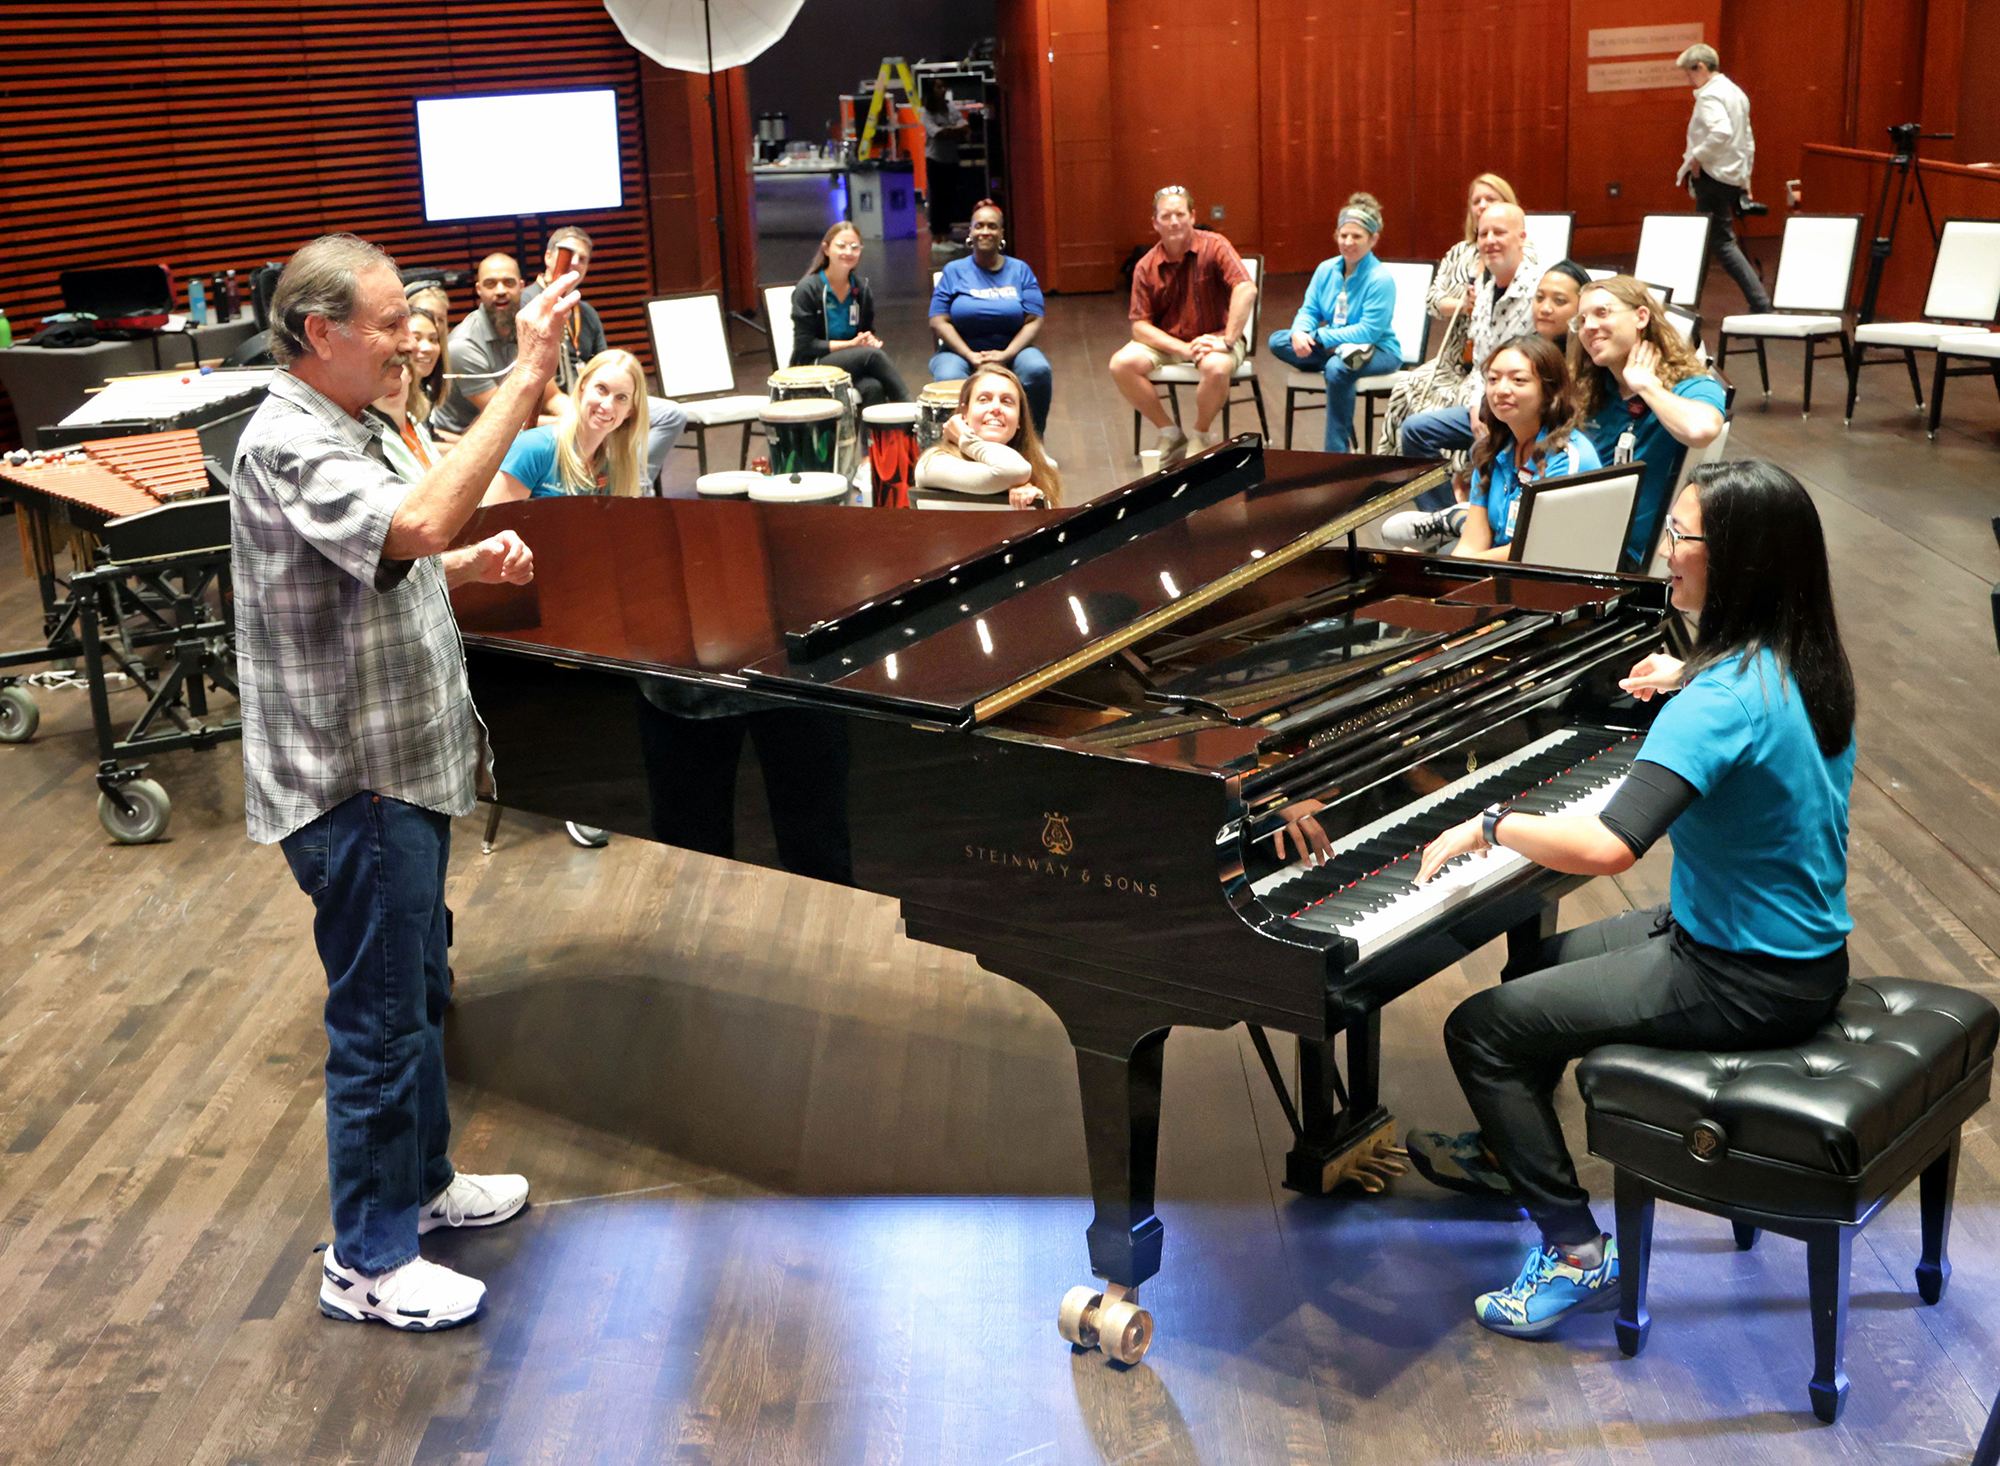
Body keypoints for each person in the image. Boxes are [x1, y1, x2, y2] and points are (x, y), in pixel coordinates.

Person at [1402, 460, 1855, 1339]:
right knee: (1538, 965)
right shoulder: (1798, 662)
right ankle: (1512, 1153)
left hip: (1739, 974)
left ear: (1742, 564)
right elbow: (1737, 725)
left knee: (1480, 1031)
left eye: (1683, 539)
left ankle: (1577, 1255)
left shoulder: (1719, 699)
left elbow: (1609, 847)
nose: (1667, 555)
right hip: (1794, 949)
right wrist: (1684, 679)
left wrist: (1492, 822)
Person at [231, 232, 577, 1329]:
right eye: (387, 324)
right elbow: (418, 517)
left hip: (402, 769)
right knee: (379, 1023)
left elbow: (393, 545)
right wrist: (525, 378)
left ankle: (418, 1188)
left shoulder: (354, 418)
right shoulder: (288, 441)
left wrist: (461, 560)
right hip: (355, 783)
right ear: (318, 330)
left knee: (417, 995)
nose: (408, 340)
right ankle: (368, 1260)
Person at [1570, 275, 1726, 568]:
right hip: (1585, 534)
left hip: (1629, 558)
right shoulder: (1589, 389)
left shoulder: (1689, 385)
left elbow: (1702, 430)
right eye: (1581, 320)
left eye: (1602, 313)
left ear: (1641, 317)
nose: (1589, 326)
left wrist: (1646, 386)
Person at [520, 225, 688, 488]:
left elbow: (606, 365)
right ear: (548, 257)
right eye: (568, 254)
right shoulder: (529, 304)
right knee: (606, 414)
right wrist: (585, 408)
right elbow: (539, 382)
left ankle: (634, 483)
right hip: (564, 401)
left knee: (671, 414)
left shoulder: (585, 311)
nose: (575, 263)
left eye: (583, 259)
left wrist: (608, 402)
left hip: (593, 392)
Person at [1377, 174, 1526, 458]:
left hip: (1488, 366)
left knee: (1455, 399)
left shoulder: (1522, 257)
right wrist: (1461, 304)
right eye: (1476, 201)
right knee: (1406, 387)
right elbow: (1433, 301)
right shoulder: (1459, 252)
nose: (1482, 206)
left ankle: (1462, 480)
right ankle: (1400, 473)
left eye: (1490, 200)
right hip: (1454, 356)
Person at [1109, 185, 1257, 470]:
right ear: (1155, 222)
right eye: (1166, 216)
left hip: (1216, 337)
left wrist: (1227, 340)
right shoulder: (1145, 265)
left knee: (1216, 368)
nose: (1174, 221)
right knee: (1121, 364)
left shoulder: (1215, 245)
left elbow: (1246, 289)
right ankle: (1170, 432)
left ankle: (1199, 435)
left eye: (1180, 214)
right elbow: (1140, 327)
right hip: (1171, 341)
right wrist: (1184, 349)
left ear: (1192, 216)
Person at [1268, 192, 1400, 453]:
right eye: (1343, 235)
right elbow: (1310, 309)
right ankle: (1329, 361)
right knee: (1279, 341)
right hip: (1334, 347)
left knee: (1338, 370)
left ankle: (1336, 452)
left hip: (1377, 350)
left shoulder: (1380, 279)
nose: (1348, 242)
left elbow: (1369, 330)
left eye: (1357, 237)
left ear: (1373, 240)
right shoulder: (1326, 269)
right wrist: (1300, 332)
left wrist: (1321, 339)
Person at [1451, 335, 1601, 560]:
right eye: (1493, 379)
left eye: (1518, 380)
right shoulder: (1489, 451)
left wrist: (1453, 567)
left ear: (1550, 391)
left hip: (1550, 580)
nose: (1501, 390)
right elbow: (1472, 543)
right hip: (1495, 572)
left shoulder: (1569, 456)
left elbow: (1537, 549)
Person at [928, 201, 1053, 434]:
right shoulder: (954, 270)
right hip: (960, 351)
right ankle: (960, 444)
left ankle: (1033, 442)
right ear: (971, 232)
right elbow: (938, 319)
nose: (985, 231)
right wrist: (970, 355)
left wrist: (1006, 354)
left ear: (1001, 234)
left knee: (1037, 369)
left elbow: (1034, 319)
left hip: (1012, 348)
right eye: (979, 226)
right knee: (948, 375)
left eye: (992, 227)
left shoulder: (1020, 270)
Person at [1675, 44, 1773, 313]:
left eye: (1689, 73)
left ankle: (1761, 304)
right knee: (1706, 240)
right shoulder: (1735, 92)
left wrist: (1696, 157)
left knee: (1720, 242)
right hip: (1730, 176)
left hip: (1712, 177)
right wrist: (1745, 178)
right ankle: (1686, 303)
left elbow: (1721, 132)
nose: (1688, 80)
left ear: (1701, 68)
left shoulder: (1710, 96)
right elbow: (1747, 141)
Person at [482, 349, 649, 502]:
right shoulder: (532, 448)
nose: (607, 405)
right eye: (601, 389)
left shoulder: (614, 471)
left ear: (630, 411)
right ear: (582, 387)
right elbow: (493, 528)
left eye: (621, 398)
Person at [789, 221, 910, 407]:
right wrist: (852, 345)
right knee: (873, 357)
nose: (848, 252)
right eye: (841, 246)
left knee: (874, 387)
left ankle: (877, 437)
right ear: (826, 249)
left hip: (850, 362)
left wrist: (869, 341)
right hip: (811, 364)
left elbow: (866, 331)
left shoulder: (861, 289)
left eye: (854, 247)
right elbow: (805, 345)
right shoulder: (808, 289)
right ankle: (911, 410)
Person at [914, 362, 1063, 508]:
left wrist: (1031, 501)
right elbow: (1014, 470)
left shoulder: (1043, 472)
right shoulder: (932, 462)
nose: (996, 408)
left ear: (1019, 420)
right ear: (964, 414)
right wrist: (966, 440)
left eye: (1007, 401)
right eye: (984, 399)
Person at [429, 251, 524, 438]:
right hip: (461, 440)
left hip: (507, 432)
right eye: (491, 284)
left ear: (521, 286)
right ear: (479, 289)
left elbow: (551, 397)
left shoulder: (527, 327)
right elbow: (506, 417)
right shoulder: (462, 346)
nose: (500, 291)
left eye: (508, 282)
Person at [366, 360, 440, 482]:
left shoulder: (414, 422)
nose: (389, 382)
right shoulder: (371, 444)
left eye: (395, 369)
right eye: (375, 373)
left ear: (410, 373)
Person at [1531, 261, 1590, 351]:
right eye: (1540, 297)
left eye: (1559, 300)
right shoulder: (1518, 353)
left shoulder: (1595, 359)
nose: (1545, 308)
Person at [407, 306, 447, 429]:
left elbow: (430, 438)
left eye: (433, 339)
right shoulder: (390, 400)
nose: (428, 348)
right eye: (416, 338)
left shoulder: (425, 391)